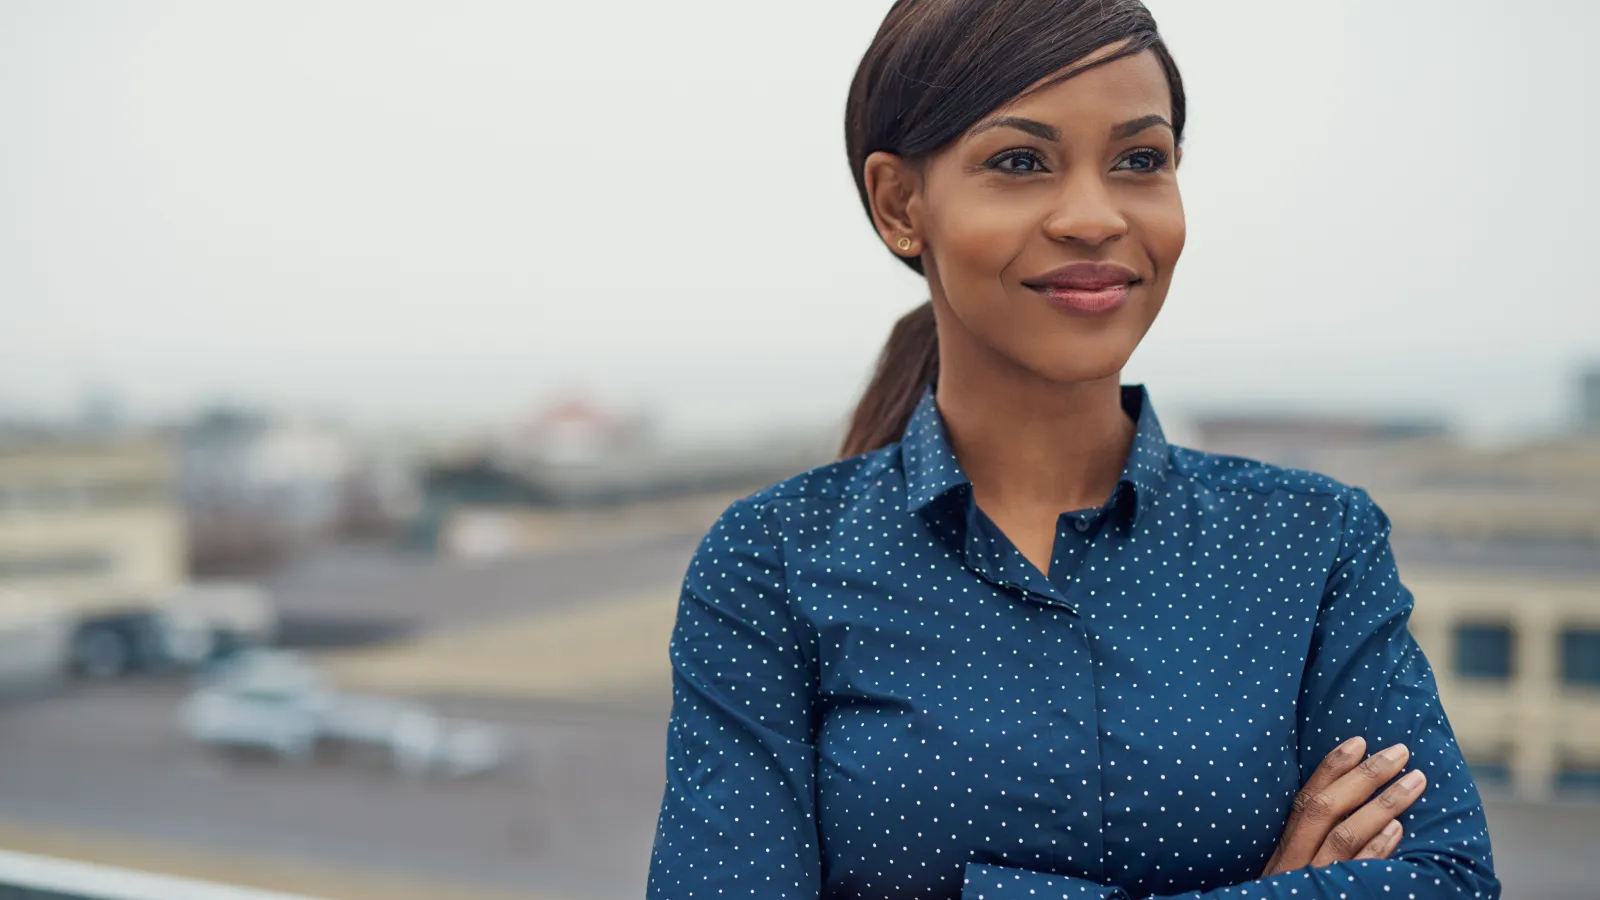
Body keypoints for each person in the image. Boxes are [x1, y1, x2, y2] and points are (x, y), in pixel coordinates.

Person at [646, 1, 1500, 897]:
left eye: (1140, 160)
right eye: (1021, 162)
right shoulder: (771, 565)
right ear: (902, 205)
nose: (1094, 217)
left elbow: (1446, 880)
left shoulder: (1314, 543)